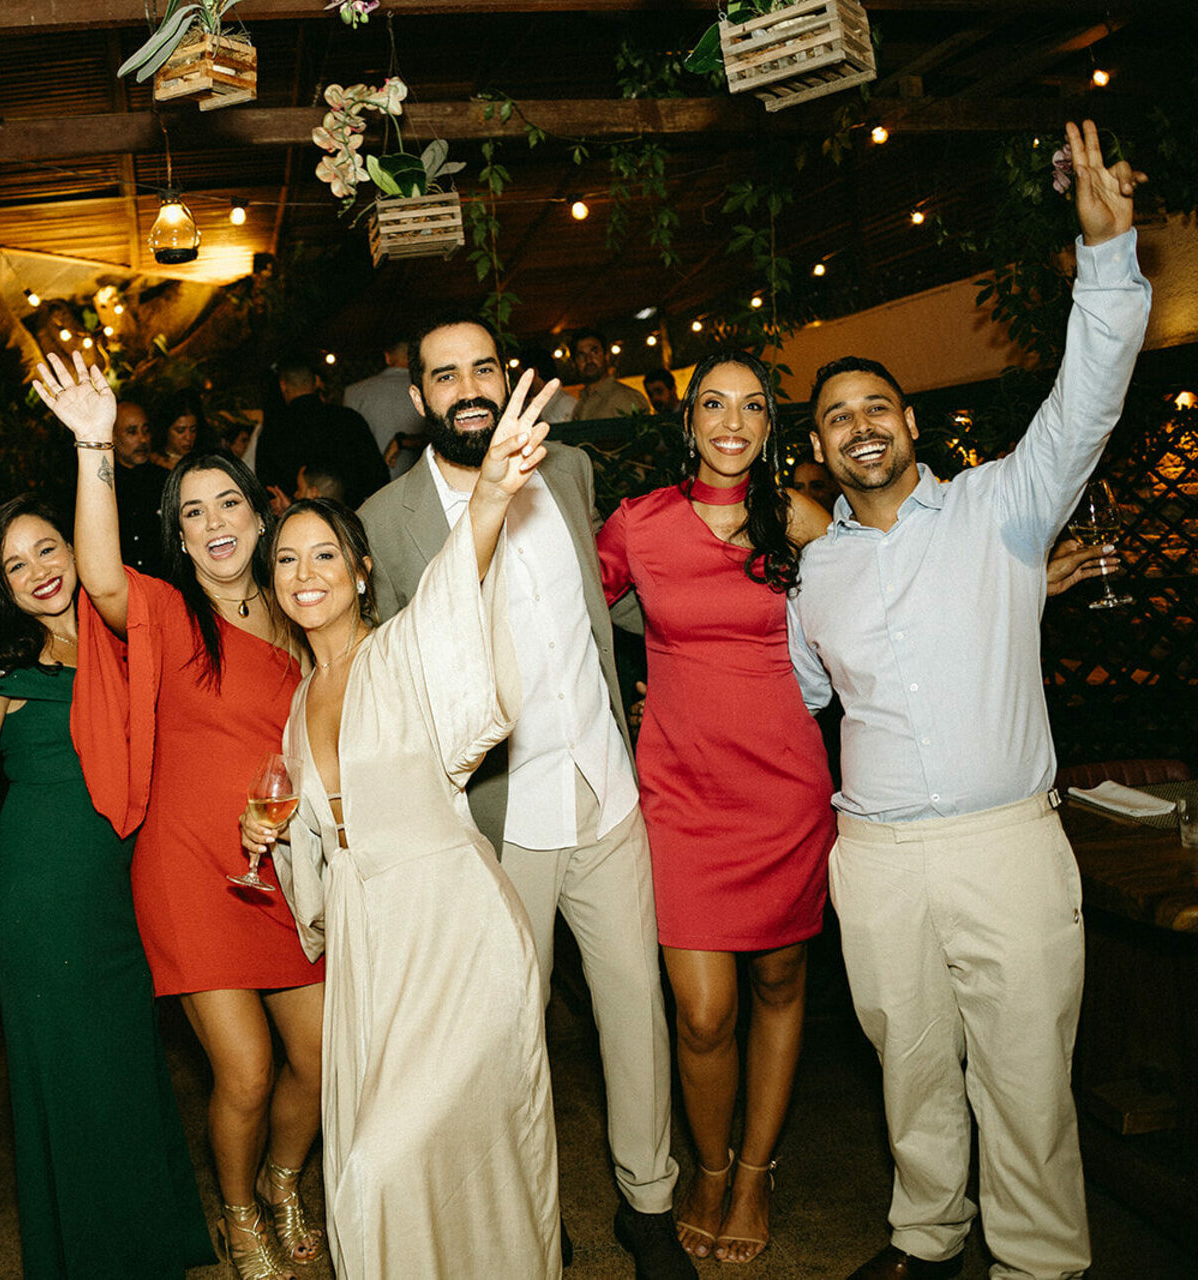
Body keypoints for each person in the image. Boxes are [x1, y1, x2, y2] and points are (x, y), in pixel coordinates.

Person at [786, 121, 1150, 1280]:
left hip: (1005, 846)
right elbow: (802, 695)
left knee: (1027, 1075)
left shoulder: (1004, 507)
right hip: (877, 856)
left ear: (911, 422)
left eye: (876, 405)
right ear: (819, 450)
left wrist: (1106, 255)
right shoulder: (816, 573)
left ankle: (1038, 1263)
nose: (861, 424)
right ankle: (927, 1237)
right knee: (909, 1070)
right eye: (837, 415)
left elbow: (1085, 402)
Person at [358, 311, 691, 1280]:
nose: (469, 388)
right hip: (497, 818)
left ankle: (649, 1205)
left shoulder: (569, 472)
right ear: (418, 397)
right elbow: (390, 674)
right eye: (445, 374)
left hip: (605, 789)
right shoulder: (388, 519)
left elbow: (601, 609)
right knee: (510, 1033)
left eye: (483, 368)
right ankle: (526, 1212)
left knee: (637, 1011)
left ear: (506, 378)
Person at [244, 374, 566, 1278]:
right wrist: (273, 835)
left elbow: (456, 587)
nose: (305, 574)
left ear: (361, 571)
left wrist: (491, 494)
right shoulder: (297, 705)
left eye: (324, 555)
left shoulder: (404, 650)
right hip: (369, 946)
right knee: (372, 1162)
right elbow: (314, 836)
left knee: (394, 1167)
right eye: (286, 561)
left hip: (453, 928)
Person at [36, 352, 327, 1280]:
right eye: (192, 512)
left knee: (322, 1057)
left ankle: (283, 1179)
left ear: (261, 514)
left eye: (228, 503)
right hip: (190, 867)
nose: (213, 523)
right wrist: (94, 446)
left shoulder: (301, 613)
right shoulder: (163, 610)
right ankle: (238, 1214)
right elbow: (98, 574)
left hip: (283, 866)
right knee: (244, 1070)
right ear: (178, 533)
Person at [0, 493, 217, 1278]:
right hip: (46, 894)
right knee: (76, 1083)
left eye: (47, 548)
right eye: (15, 565)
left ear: (77, 546)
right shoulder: (2, 659)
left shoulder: (122, 634)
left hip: (123, 887)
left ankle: (147, 1245)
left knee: (127, 1069)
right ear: (0, 587)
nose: (38, 572)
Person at [596, 350, 835, 1265]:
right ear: (687, 419)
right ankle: (707, 1163)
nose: (731, 422)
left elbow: (885, 604)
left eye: (752, 406)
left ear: (771, 426)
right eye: (713, 404)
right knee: (701, 1012)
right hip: (683, 794)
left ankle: (754, 1173)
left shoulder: (801, 519)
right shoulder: (639, 523)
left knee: (780, 984)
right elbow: (564, 621)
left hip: (783, 789)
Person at [256, 356, 389, 508]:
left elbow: (266, 485)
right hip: (351, 513)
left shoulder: (274, 429)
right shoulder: (349, 419)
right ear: (317, 382)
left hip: (296, 514)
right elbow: (377, 476)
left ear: (283, 386)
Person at [343, 335, 429, 476]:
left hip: (370, 481)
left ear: (387, 357)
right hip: (420, 477)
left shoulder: (354, 392)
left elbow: (348, 445)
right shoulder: (428, 389)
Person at [112, 399, 169, 574]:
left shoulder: (165, 480)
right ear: (112, 436)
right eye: (132, 432)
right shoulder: (101, 486)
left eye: (146, 431)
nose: (143, 439)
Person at [572, 329, 652, 420]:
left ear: (606, 356)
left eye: (594, 352)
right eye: (581, 355)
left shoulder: (625, 397)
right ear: (574, 362)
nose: (588, 360)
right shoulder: (580, 405)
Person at [153, 394, 206, 470]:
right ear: (166, 430)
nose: (188, 437)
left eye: (193, 430)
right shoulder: (152, 462)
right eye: (180, 431)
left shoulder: (202, 461)